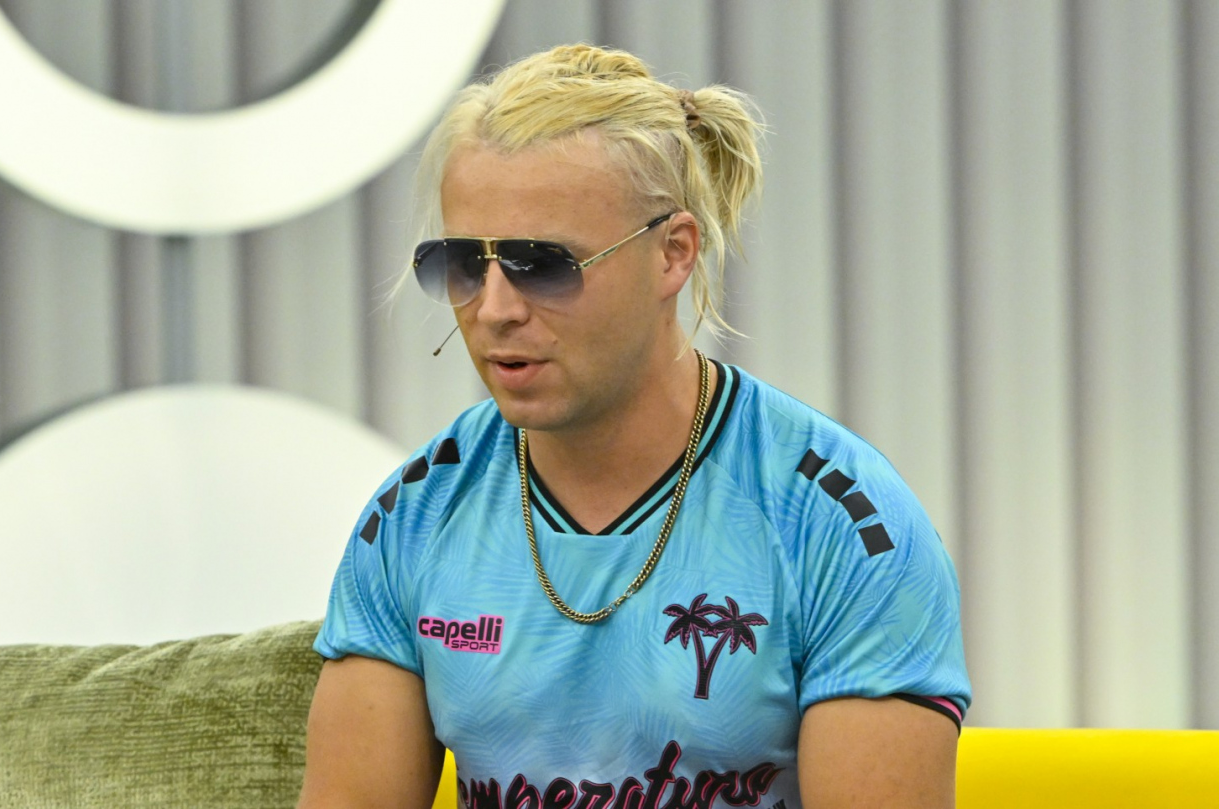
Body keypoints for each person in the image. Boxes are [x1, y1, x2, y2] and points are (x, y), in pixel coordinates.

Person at [298, 44, 970, 809]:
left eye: (541, 263)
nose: (494, 310)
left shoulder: (841, 525)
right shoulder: (414, 516)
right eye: (462, 264)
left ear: (672, 254)